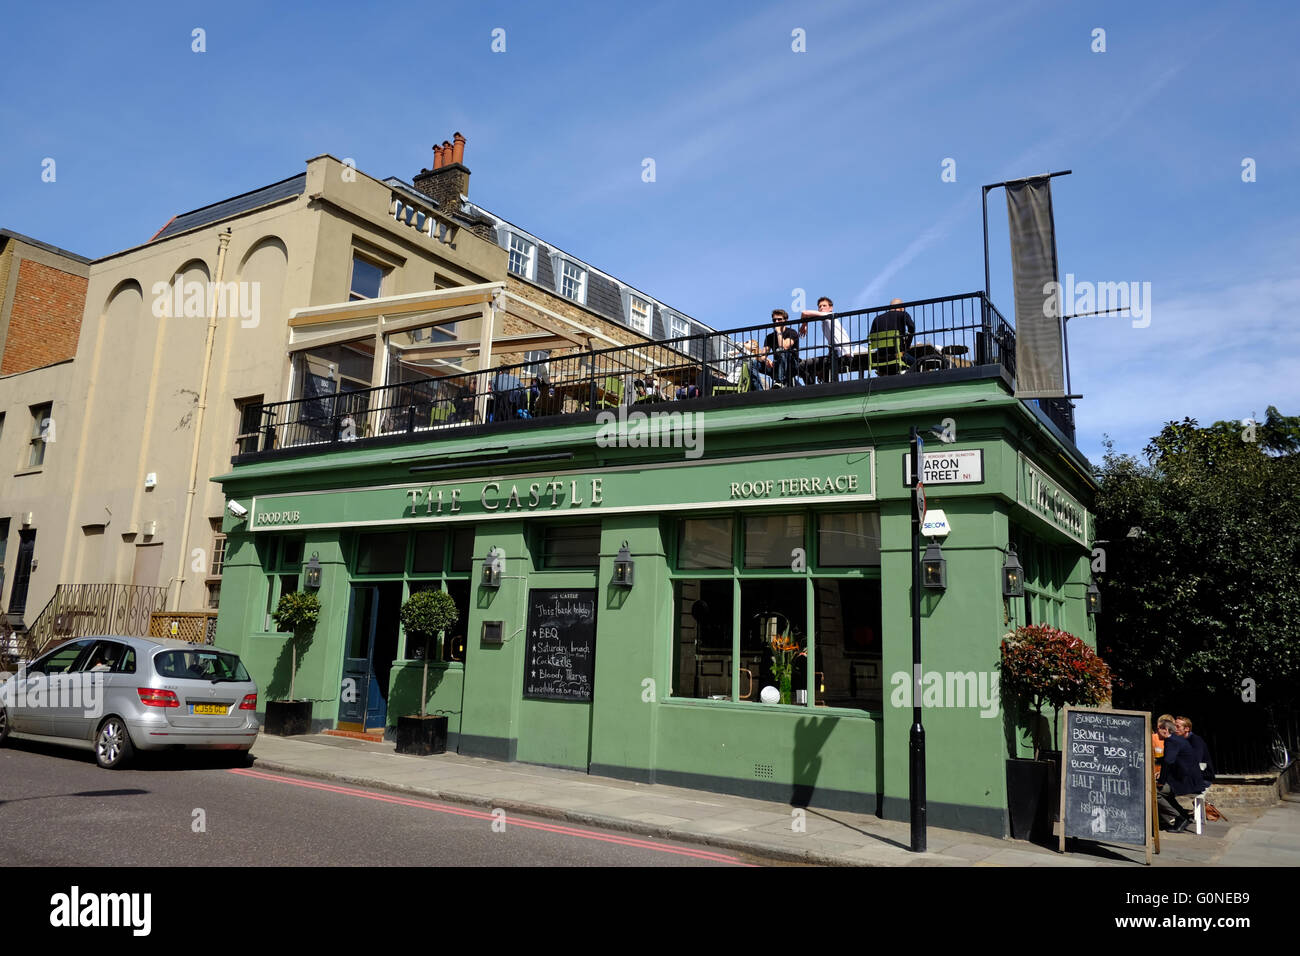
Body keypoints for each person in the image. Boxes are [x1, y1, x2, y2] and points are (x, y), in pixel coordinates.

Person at [1156, 717, 1205, 832]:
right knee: (1166, 793)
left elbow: (1168, 762)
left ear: (1166, 730)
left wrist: (1161, 781)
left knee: (1155, 792)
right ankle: (1183, 815)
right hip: (1189, 779)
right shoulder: (1177, 740)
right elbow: (1170, 759)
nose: (1157, 731)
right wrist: (1154, 761)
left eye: (1158, 729)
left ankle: (1179, 817)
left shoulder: (1171, 741)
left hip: (1186, 782)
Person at [799, 296, 852, 383]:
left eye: (824, 306)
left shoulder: (830, 315)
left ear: (830, 308)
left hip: (842, 357)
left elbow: (804, 313)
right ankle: (815, 387)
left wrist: (804, 324)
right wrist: (822, 370)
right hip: (836, 356)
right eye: (819, 306)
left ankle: (811, 388)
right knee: (816, 369)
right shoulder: (825, 321)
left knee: (802, 365)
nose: (821, 308)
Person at [868, 298, 916, 375]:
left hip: (880, 358)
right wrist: (907, 345)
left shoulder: (877, 319)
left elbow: (871, 338)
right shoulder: (903, 314)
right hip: (898, 355)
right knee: (918, 364)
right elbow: (912, 327)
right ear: (901, 308)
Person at [756, 309, 800, 387]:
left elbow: (784, 346)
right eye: (774, 320)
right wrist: (766, 360)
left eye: (779, 319)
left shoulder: (792, 332)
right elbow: (763, 355)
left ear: (786, 320)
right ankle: (757, 388)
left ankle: (780, 382)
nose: (776, 322)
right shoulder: (770, 337)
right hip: (776, 365)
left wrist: (779, 332)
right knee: (752, 363)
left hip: (791, 364)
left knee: (781, 350)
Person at [1175, 716, 1215, 784]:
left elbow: (1195, 761)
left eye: (1177, 727)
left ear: (1187, 729)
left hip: (1202, 778)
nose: (1174, 729)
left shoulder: (1196, 741)